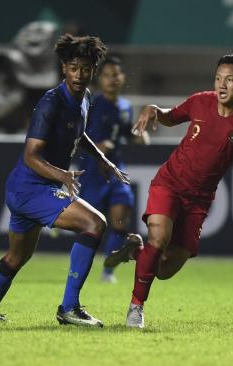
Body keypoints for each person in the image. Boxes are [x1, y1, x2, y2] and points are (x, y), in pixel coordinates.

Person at [105, 54, 233, 328]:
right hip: (169, 183)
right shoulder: (200, 101)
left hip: (199, 200)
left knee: (166, 267)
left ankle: (135, 251)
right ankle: (136, 309)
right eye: (218, 79)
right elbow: (169, 118)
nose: (222, 86)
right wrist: (154, 109)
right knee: (159, 239)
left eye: (230, 79)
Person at [0, 34, 129, 327]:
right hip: (31, 187)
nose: (79, 74)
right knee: (95, 224)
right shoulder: (51, 102)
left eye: (85, 68)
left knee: (17, 257)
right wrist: (62, 175)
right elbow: (32, 155)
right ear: (63, 68)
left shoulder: (85, 99)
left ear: (93, 70)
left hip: (29, 188)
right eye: (73, 68)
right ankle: (69, 308)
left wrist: (101, 159)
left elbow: (78, 134)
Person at [78, 56, 149, 284]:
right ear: (100, 79)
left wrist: (139, 136)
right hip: (92, 173)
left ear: (122, 77)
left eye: (116, 74)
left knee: (121, 218)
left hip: (117, 172)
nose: (112, 79)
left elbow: (126, 132)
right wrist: (98, 147)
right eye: (107, 75)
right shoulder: (92, 104)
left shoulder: (126, 107)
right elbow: (78, 136)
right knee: (90, 226)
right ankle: (78, 269)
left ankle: (108, 270)